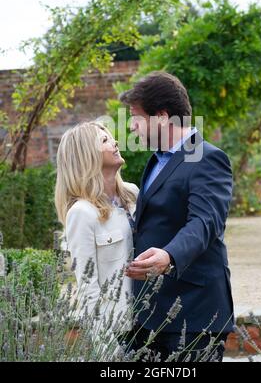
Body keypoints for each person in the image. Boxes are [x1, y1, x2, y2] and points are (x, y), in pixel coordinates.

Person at [121, 71, 234, 362]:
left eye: (136, 117)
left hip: (194, 312)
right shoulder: (156, 160)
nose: (132, 128)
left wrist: (170, 256)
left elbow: (205, 222)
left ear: (161, 116)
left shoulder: (207, 157)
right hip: (150, 313)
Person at [54, 121, 139, 354]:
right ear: (87, 156)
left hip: (152, 322)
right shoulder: (82, 213)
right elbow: (87, 289)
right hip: (120, 332)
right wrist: (109, 350)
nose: (115, 142)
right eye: (104, 140)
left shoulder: (133, 194)